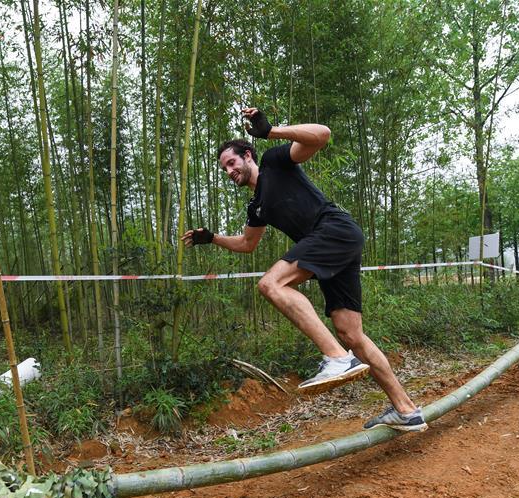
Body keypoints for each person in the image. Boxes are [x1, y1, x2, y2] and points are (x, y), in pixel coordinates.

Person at [181, 108, 427, 432]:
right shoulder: (256, 206)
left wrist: (270, 131)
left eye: (232, 162)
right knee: (351, 333)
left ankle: (336, 359)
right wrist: (212, 238)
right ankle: (406, 410)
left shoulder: (274, 162)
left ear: (248, 156)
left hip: (332, 230)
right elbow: (246, 243)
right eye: (224, 168)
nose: (229, 171)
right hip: (336, 243)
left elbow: (322, 134)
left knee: (271, 284)